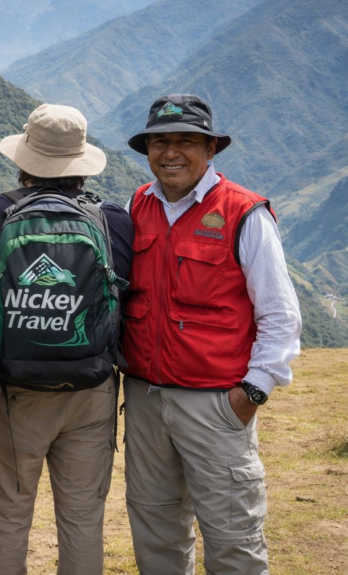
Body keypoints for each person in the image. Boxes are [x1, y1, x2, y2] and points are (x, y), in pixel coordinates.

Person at [121, 94, 301, 574]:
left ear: (210, 149)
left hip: (217, 403)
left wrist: (252, 392)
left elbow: (280, 314)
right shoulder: (136, 205)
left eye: (186, 141)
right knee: (154, 528)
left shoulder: (244, 213)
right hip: (144, 397)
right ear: (147, 149)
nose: (171, 152)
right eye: (160, 141)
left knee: (233, 535)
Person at [0, 104, 133, 575]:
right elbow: (128, 302)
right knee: (82, 519)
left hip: (13, 393)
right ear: (80, 163)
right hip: (91, 389)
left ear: (24, 159)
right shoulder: (112, 220)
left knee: (4, 515)